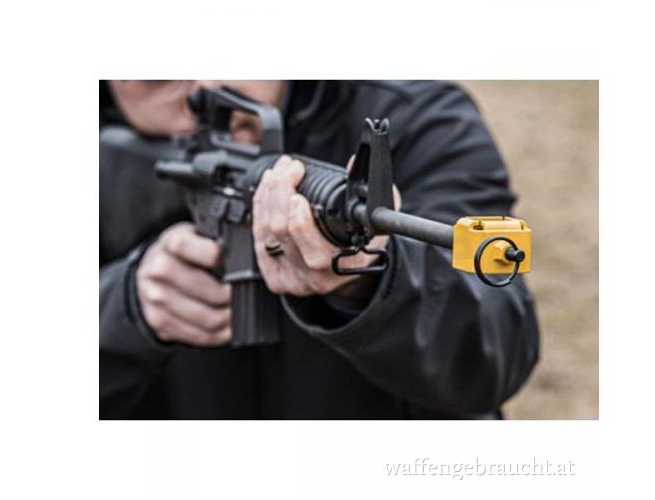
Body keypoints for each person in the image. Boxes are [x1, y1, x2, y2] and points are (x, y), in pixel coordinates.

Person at [99, 80, 539, 419]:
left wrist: (372, 285)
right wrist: (124, 309)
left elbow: (495, 351)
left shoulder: (418, 118)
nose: (205, 87)